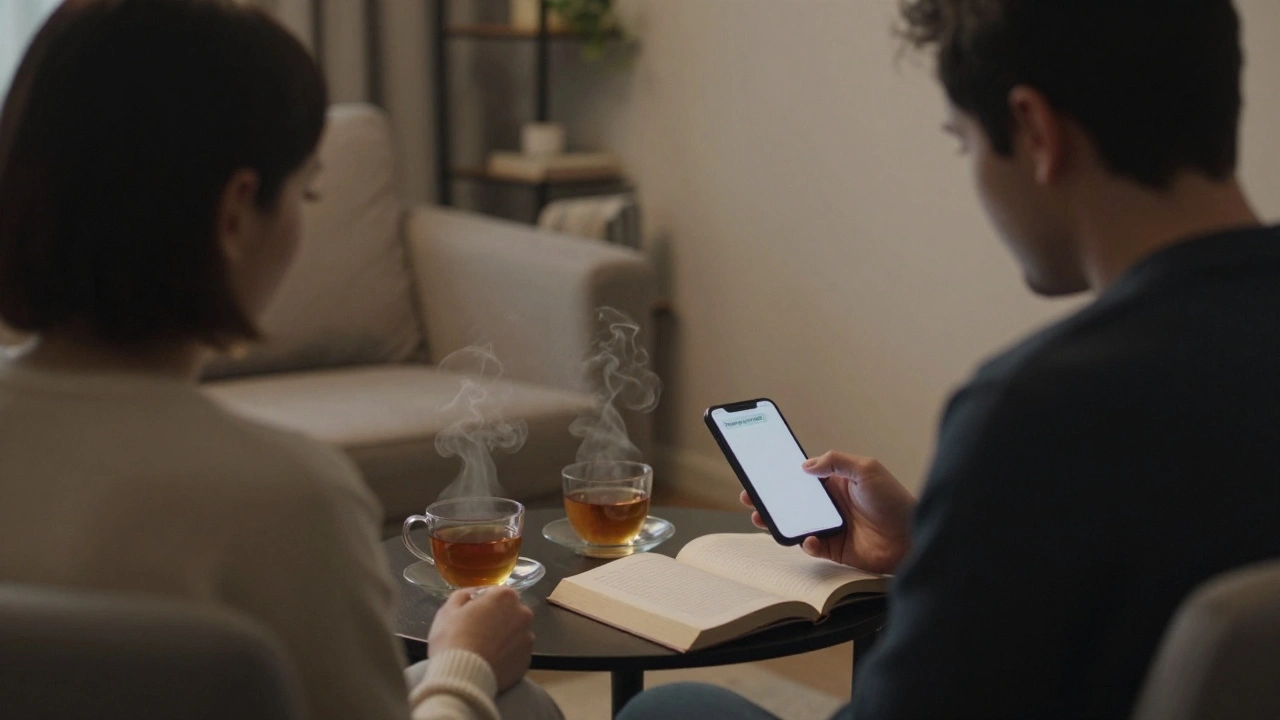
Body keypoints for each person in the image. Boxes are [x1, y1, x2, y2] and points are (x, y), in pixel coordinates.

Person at [619, 0, 1280, 718]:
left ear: (1033, 131)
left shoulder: (1038, 413)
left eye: (964, 143)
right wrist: (941, 551)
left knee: (671, 707)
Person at [0, 2, 560, 720]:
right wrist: (462, 662)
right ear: (234, 216)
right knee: (522, 704)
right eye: (308, 191)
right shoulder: (290, 501)